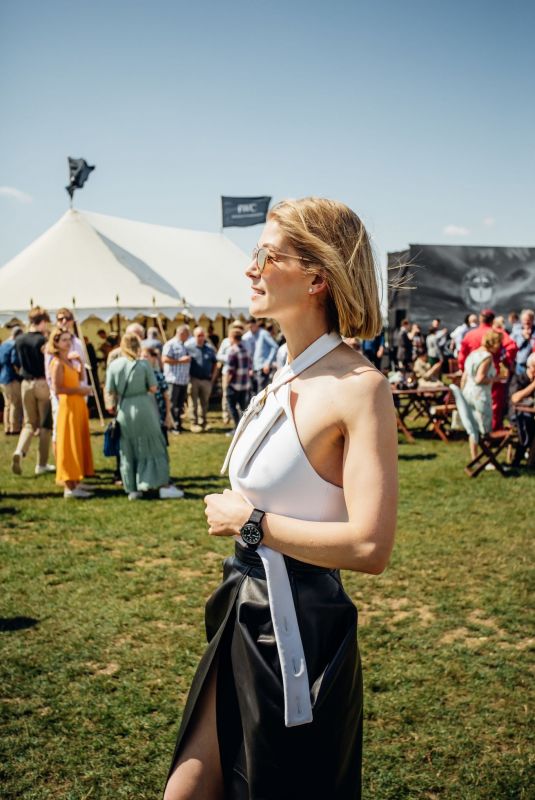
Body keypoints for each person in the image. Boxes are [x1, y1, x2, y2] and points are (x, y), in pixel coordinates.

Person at [163, 197, 397, 800]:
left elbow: (370, 546)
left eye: (267, 255)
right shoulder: (285, 373)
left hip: (297, 631)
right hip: (241, 609)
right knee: (188, 787)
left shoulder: (359, 388)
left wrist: (252, 524)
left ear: (318, 277)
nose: (251, 268)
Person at [105, 333, 182, 500]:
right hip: (145, 408)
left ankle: (132, 489)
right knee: (153, 446)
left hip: (124, 410)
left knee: (127, 449)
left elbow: (110, 390)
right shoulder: (144, 365)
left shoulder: (114, 365)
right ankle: (159, 484)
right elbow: (154, 388)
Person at [47, 328, 95, 499]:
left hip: (77, 405)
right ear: (56, 343)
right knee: (68, 444)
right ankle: (69, 484)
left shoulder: (68, 360)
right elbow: (57, 388)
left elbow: (79, 376)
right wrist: (78, 390)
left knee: (78, 442)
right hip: (67, 406)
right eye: (64, 340)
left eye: (69, 339)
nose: (67, 343)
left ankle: (76, 480)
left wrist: (80, 363)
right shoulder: (57, 363)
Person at [11, 307, 55, 476]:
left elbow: (16, 362)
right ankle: (41, 464)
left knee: (29, 423)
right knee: (45, 425)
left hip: (25, 384)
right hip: (42, 383)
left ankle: (19, 451)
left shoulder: (19, 339)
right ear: (42, 322)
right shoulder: (42, 340)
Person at [459, 309, 517, 430]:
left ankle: (476, 433)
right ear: (492, 320)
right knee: (494, 405)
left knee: (474, 405)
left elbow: (462, 355)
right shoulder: (496, 333)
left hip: (472, 375)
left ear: (480, 319)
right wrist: (505, 361)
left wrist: (465, 369)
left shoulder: (470, 334)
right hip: (491, 375)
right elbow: (512, 347)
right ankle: (491, 432)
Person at [461, 330, 503, 459]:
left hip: (468, 392)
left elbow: (464, 377)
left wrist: (463, 395)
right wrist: (496, 379)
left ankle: (475, 459)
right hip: (480, 395)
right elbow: (480, 379)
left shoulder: (473, 354)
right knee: (485, 430)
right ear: (493, 343)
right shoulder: (486, 356)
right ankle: (487, 460)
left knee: (473, 429)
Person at [186, 327, 218, 432]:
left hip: (206, 380)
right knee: (193, 402)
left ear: (205, 336)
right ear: (194, 336)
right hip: (193, 379)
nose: (200, 337)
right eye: (198, 335)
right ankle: (193, 423)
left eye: (202, 335)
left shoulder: (209, 349)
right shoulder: (188, 348)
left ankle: (203, 422)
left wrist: (212, 377)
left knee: (204, 403)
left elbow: (215, 363)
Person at [162, 325, 192, 433]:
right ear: (181, 333)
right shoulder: (170, 344)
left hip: (183, 380)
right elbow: (164, 359)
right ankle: (172, 426)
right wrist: (180, 361)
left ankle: (178, 424)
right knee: (172, 405)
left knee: (179, 405)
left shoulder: (185, 345)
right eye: (187, 334)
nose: (188, 336)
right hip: (173, 380)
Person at [216, 322, 245, 425]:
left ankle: (238, 422)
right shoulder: (226, 342)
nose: (238, 329)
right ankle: (226, 417)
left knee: (238, 399)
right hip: (228, 373)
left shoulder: (242, 343)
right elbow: (219, 356)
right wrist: (228, 358)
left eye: (239, 327)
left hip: (238, 375)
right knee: (227, 397)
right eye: (236, 327)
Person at [509, 352, 535, 465]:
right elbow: (515, 398)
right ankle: (523, 460)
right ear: (531, 367)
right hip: (517, 414)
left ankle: (531, 460)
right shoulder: (519, 378)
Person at [225, 327, 251, 434]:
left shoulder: (232, 351)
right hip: (244, 384)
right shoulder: (245, 350)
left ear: (232, 338)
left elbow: (231, 371)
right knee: (243, 408)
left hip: (234, 384)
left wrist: (226, 383)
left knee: (232, 407)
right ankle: (244, 427)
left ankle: (237, 428)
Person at [242, 317, 278, 393]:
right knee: (255, 393)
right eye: (249, 327)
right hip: (255, 369)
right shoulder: (252, 336)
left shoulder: (263, 333)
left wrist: (267, 363)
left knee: (261, 393)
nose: (250, 329)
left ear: (256, 325)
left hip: (263, 368)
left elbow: (274, 347)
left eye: (251, 326)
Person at [0, 326, 23, 435]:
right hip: (12, 378)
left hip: (3, 378)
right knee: (15, 403)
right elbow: (14, 361)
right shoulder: (14, 345)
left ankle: (7, 427)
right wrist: (19, 373)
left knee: (7, 404)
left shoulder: (3, 345)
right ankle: (15, 427)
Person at [512, 309, 535, 375]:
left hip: (533, 365)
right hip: (521, 364)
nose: (526, 321)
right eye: (525, 320)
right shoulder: (516, 330)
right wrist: (523, 337)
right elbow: (515, 347)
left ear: (532, 320)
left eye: (529, 319)